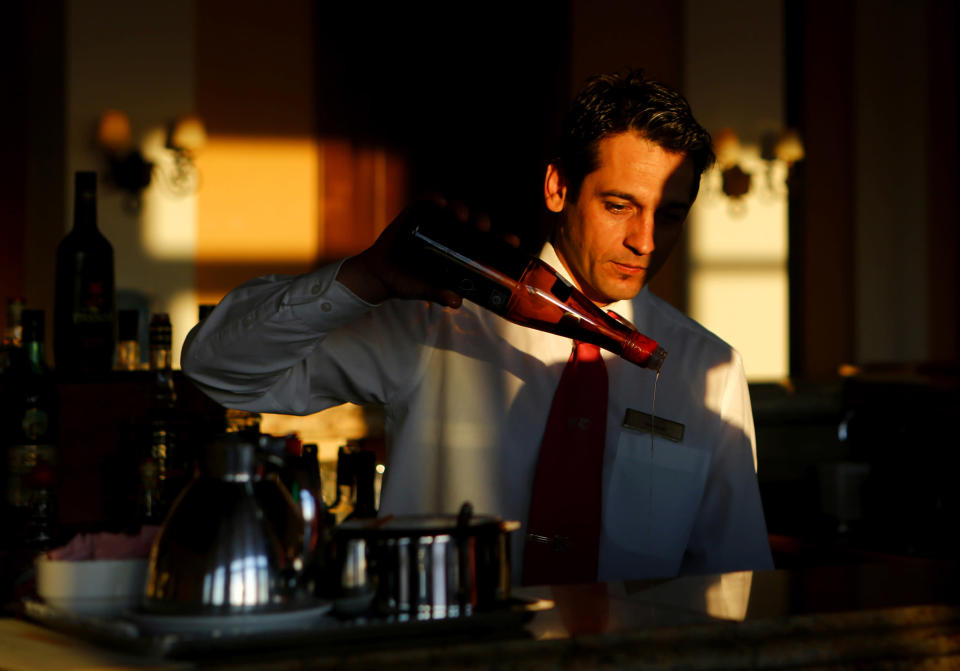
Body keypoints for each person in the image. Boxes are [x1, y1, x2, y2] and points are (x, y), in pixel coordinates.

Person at [181, 68, 773, 584]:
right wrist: (365, 277)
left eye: (668, 216)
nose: (645, 242)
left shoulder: (708, 370)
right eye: (618, 205)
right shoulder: (436, 318)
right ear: (558, 186)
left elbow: (733, 574)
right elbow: (217, 371)